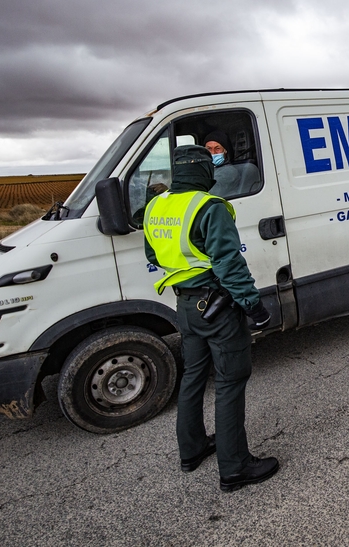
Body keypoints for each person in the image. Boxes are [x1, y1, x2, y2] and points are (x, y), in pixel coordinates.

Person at [143, 145, 278, 492]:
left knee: (192, 377)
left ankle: (192, 449)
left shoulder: (156, 205)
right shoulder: (209, 207)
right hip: (217, 306)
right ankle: (235, 468)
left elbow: (153, 254)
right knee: (230, 382)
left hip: (185, 306)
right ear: (205, 172)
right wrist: (254, 307)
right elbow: (229, 264)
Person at [204, 130, 262, 200]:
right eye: (209, 149)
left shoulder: (228, 172)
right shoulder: (210, 169)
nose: (213, 152)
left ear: (225, 151)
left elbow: (210, 193)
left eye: (217, 148)